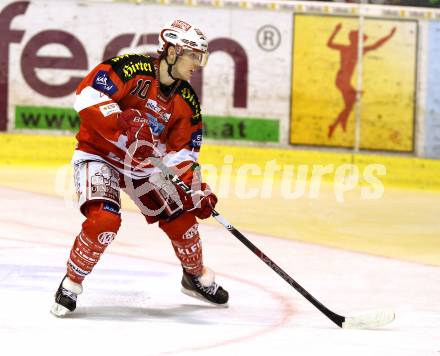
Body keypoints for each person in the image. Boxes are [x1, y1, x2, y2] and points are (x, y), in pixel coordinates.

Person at [51, 19, 229, 317]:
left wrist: (195, 188)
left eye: (201, 57)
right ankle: (71, 283)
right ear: (172, 52)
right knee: (104, 220)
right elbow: (87, 95)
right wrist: (121, 120)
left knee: (183, 220)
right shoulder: (131, 69)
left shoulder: (187, 101)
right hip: (100, 154)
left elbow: (182, 153)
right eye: (193, 56)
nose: (198, 64)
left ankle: (195, 276)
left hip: (142, 167)